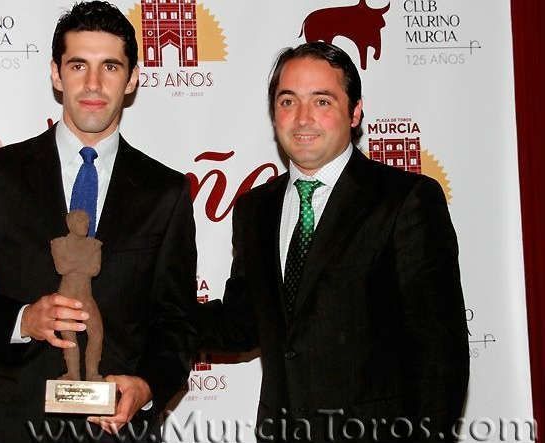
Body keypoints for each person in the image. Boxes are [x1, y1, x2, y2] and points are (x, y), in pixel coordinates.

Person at [0, 2, 197, 442]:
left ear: (132, 79)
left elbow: (178, 323)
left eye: (110, 67)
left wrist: (147, 385)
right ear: (56, 74)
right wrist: (22, 320)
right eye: (78, 65)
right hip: (11, 427)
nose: (93, 83)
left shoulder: (165, 191)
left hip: (118, 430)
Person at [197, 42, 469, 442]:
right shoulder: (255, 209)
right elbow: (242, 324)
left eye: (322, 101)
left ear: (355, 112)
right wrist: (147, 307)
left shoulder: (405, 200)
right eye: (288, 101)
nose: (302, 118)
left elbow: (441, 354)